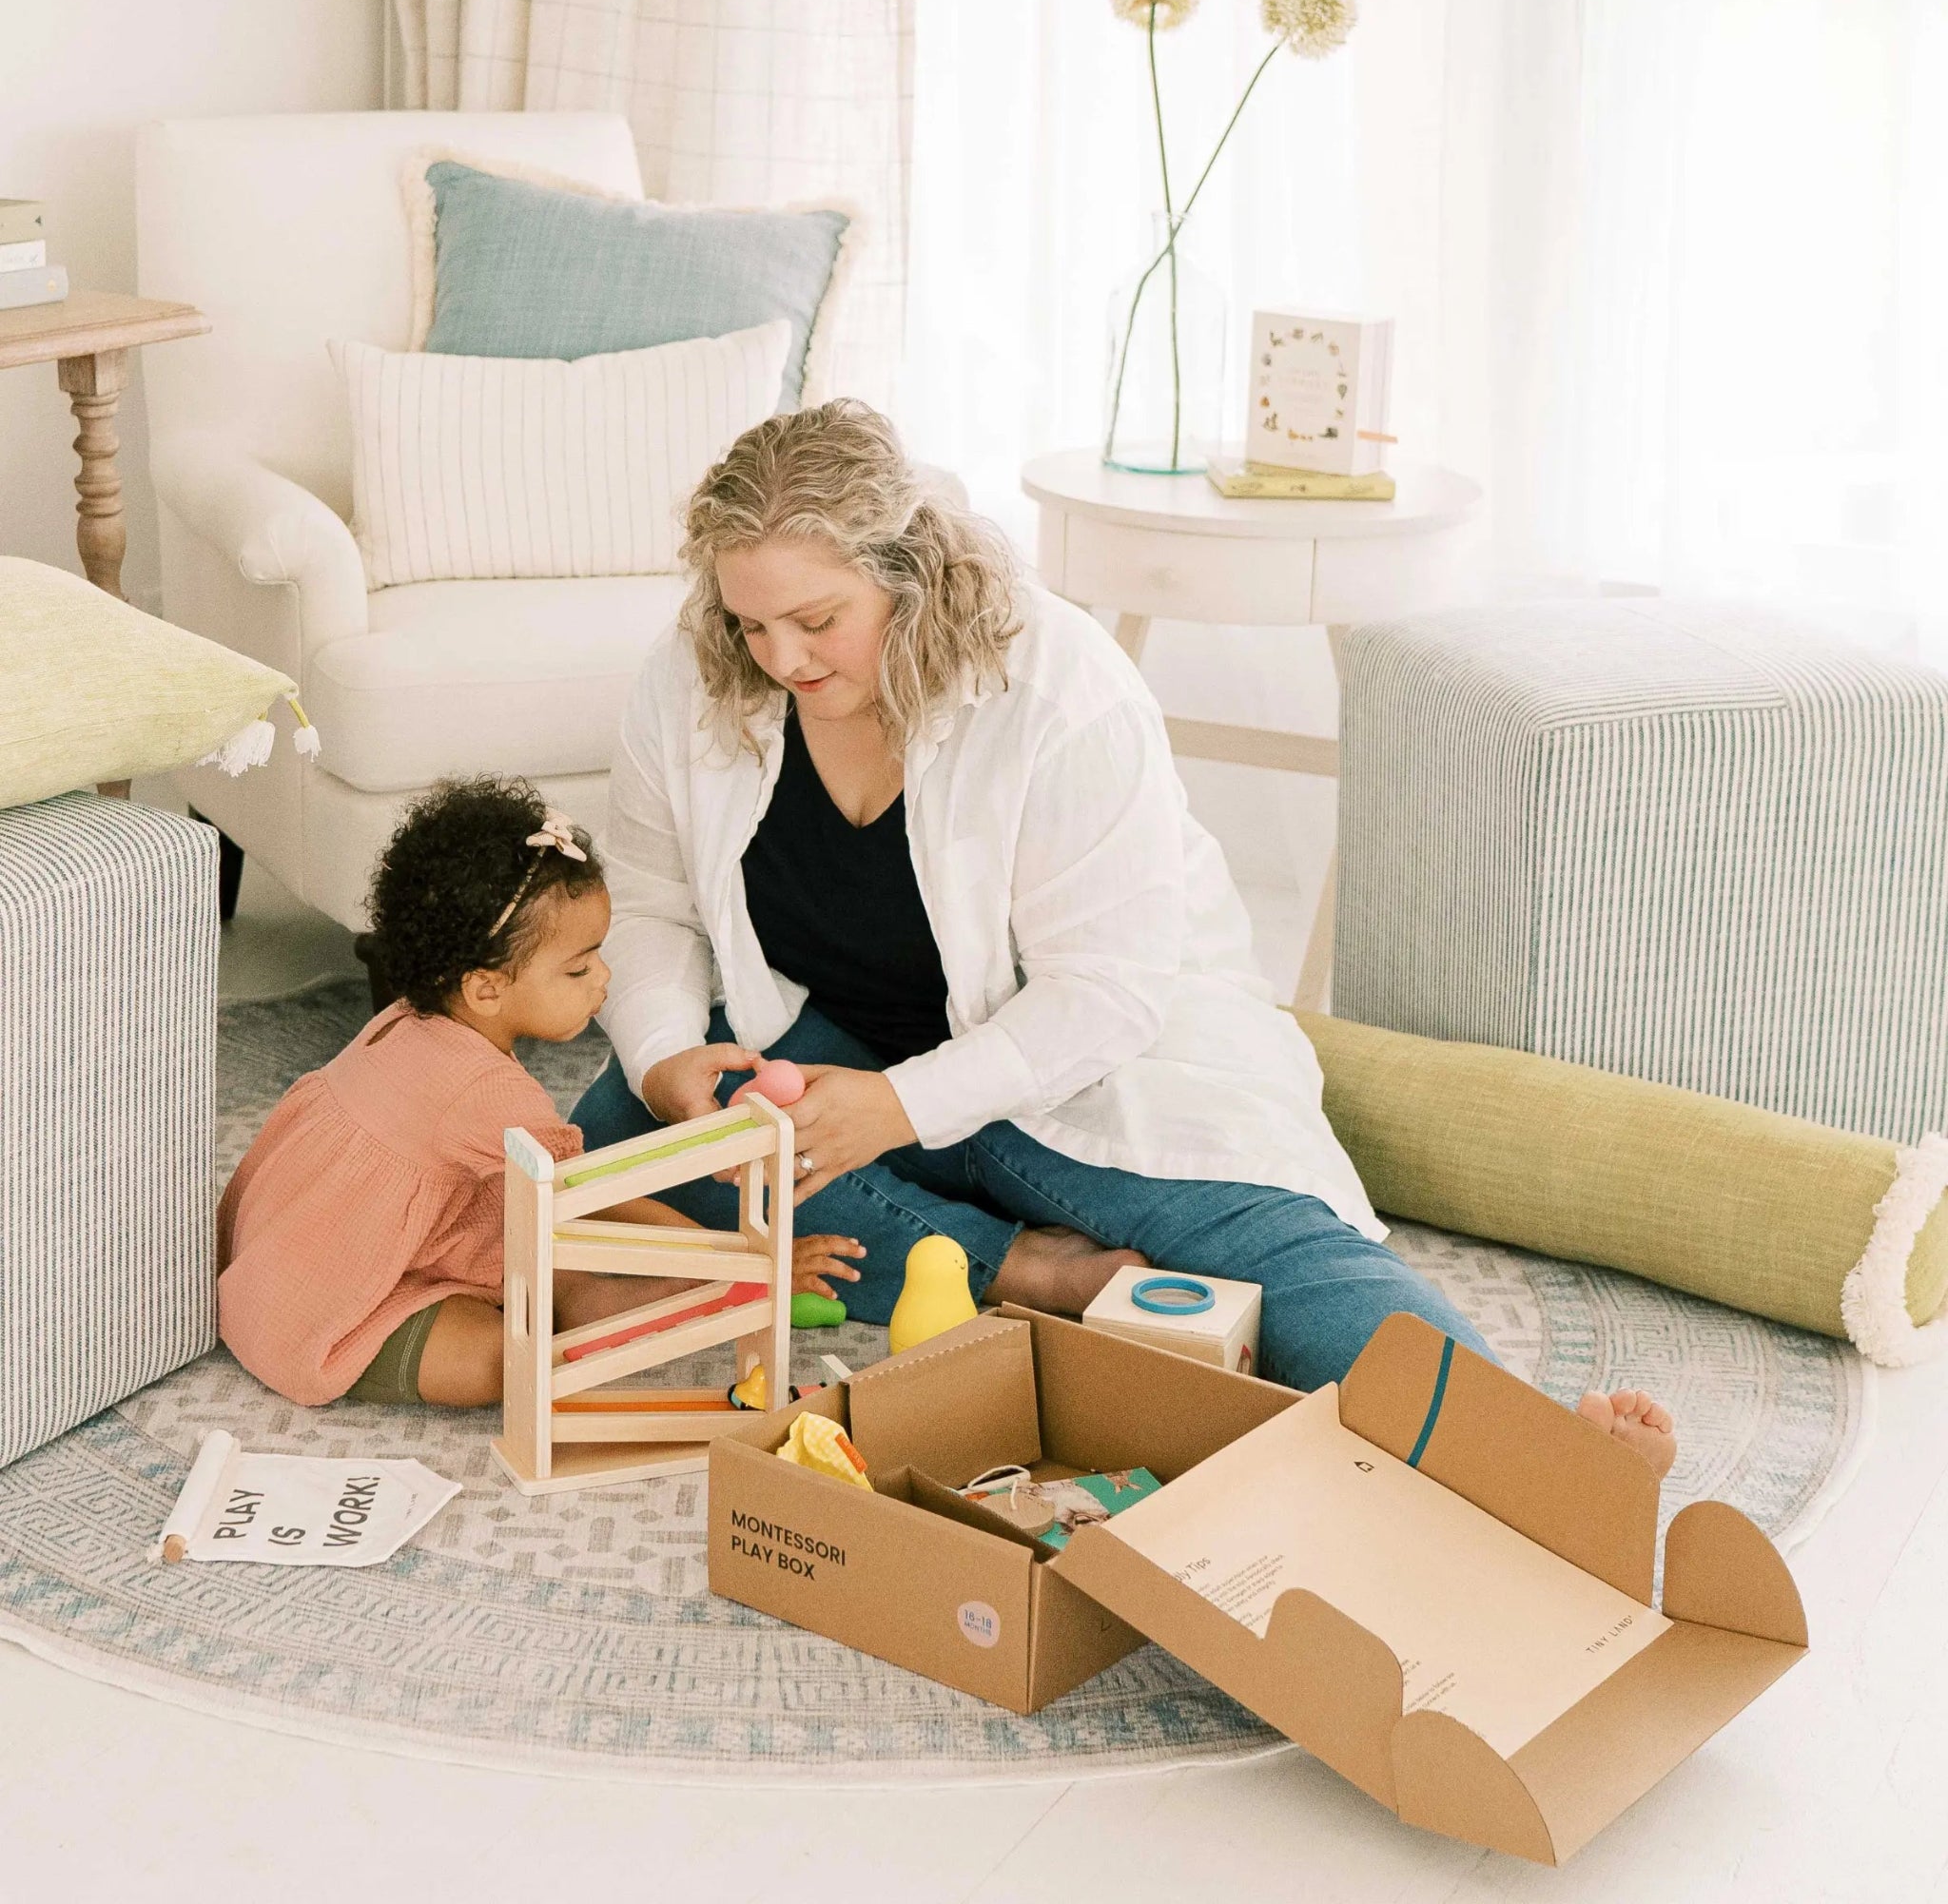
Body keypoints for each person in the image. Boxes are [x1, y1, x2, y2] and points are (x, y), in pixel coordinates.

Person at [573, 402, 1677, 1477]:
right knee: (608, 1140)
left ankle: (1539, 1452)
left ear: (906, 572)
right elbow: (656, 902)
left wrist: (898, 1110)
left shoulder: (1057, 680)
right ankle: (1023, 1265)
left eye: (817, 620)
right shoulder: (691, 677)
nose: (780, 658)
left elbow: (1103, 994)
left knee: (1268, 1252)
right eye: (749, 623)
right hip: (830, 1048)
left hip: (1071, 1073)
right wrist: (670, 1057)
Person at [217, 776, 865, 1409]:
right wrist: (738, 1257)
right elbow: (594, 1193)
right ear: (485, 989)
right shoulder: (485, 1090)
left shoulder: (408, 1018)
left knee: (528, 1227)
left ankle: (603, 1299)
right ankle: (629, 1303)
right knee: (504, 1360)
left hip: (340, 1240)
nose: (604, 978)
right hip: (324, 1308)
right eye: (578, 968)